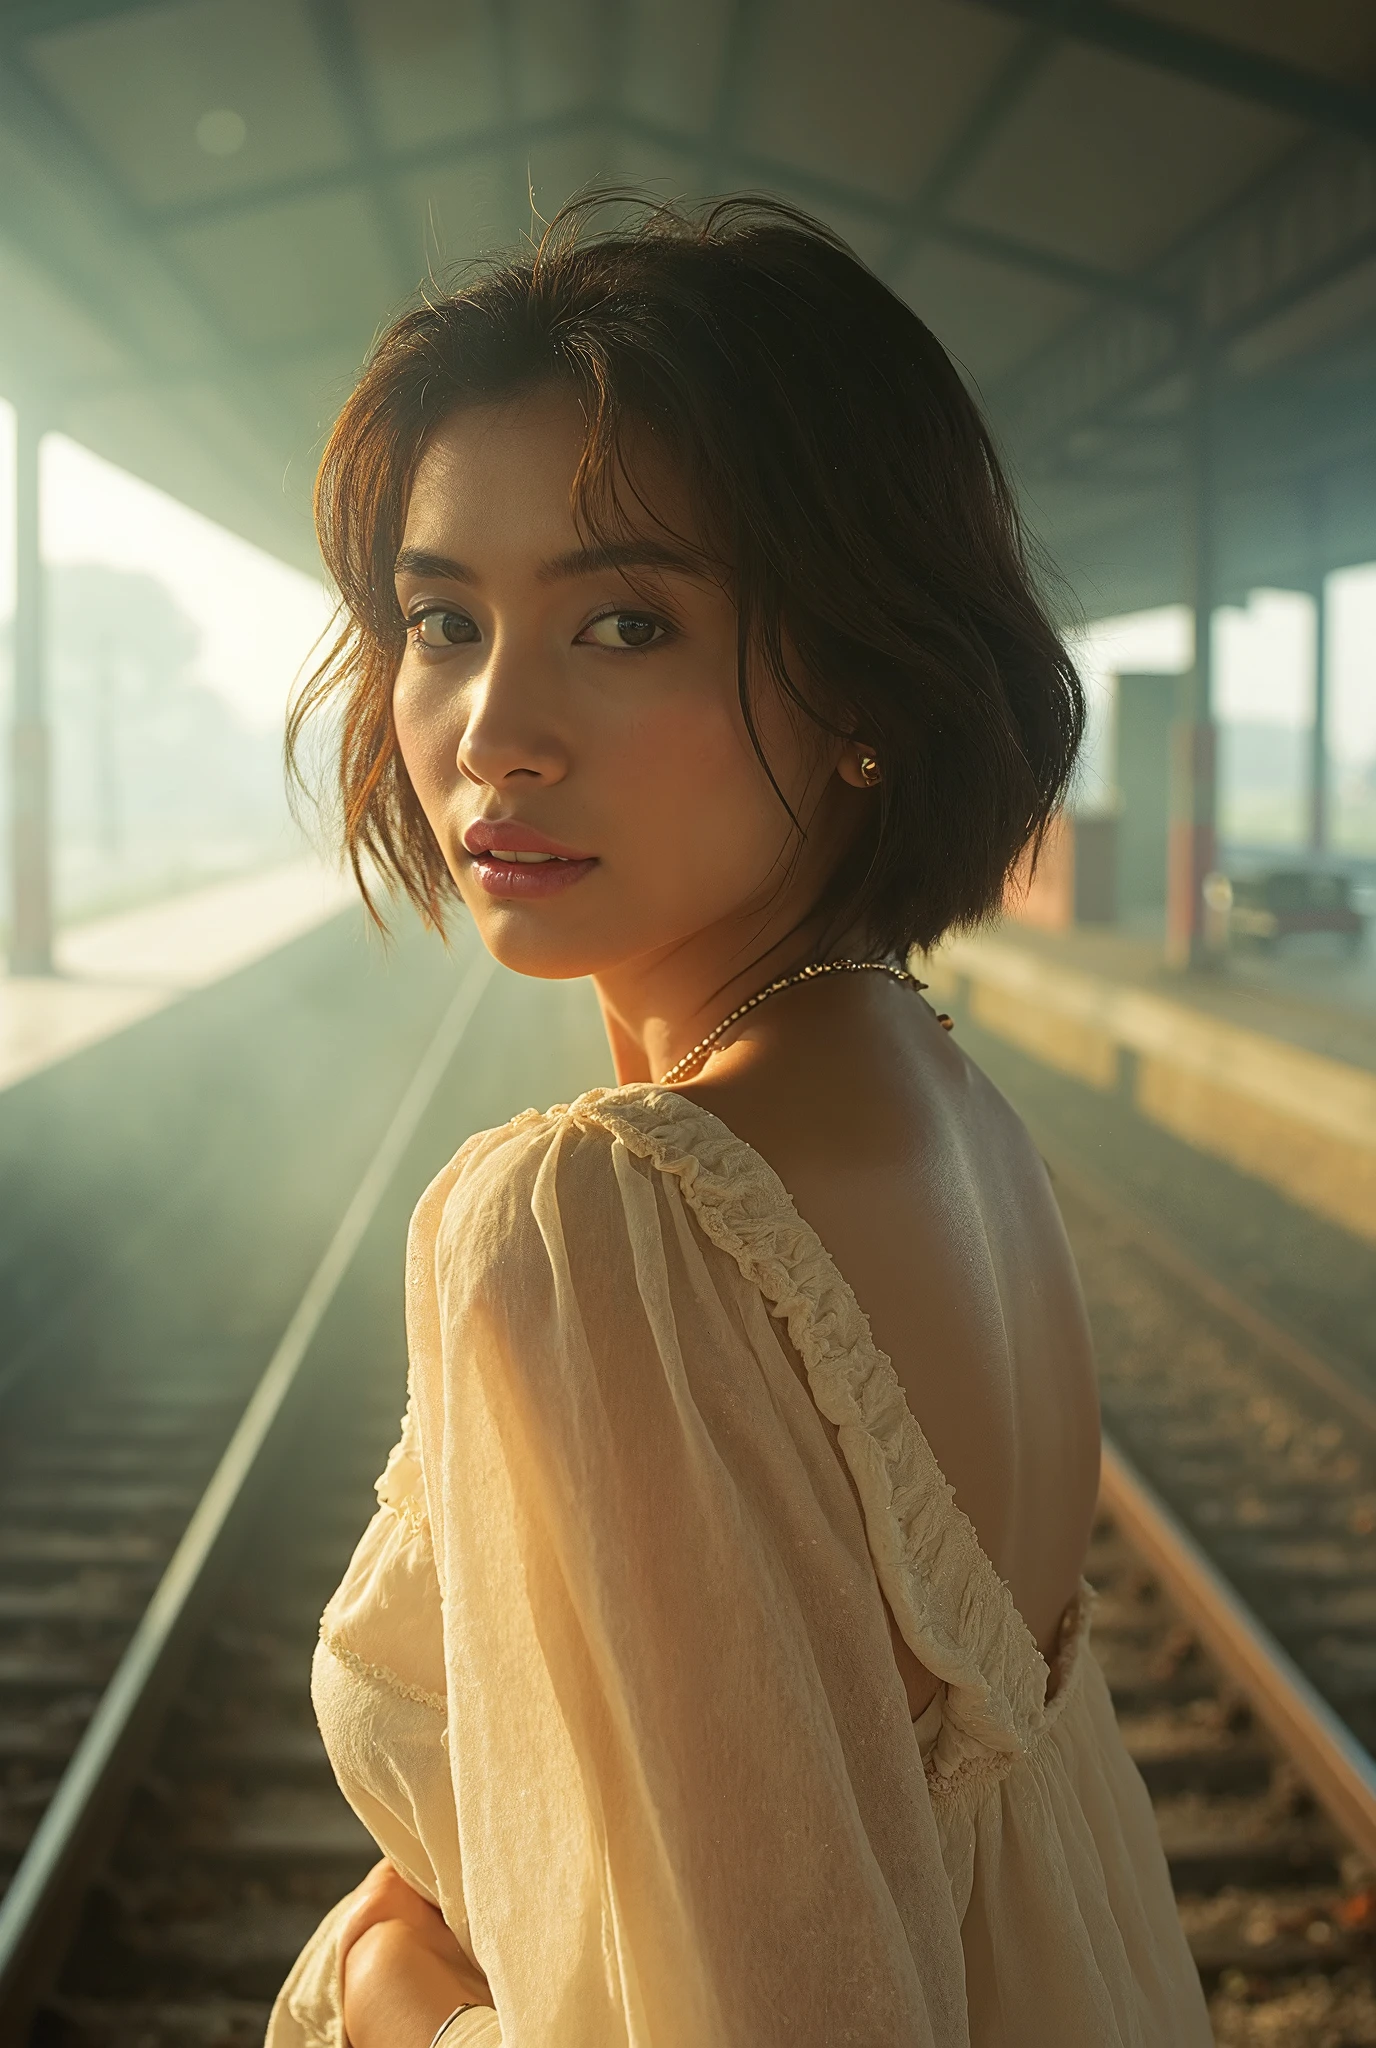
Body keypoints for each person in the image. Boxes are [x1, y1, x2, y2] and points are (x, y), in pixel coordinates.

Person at [267, 195, 1212, 2048]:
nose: (490, 729)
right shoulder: (949, 1112)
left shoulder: (602, 1216)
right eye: (441, 620)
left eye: (624, 621)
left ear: (861, 682)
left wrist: (385, 1997)